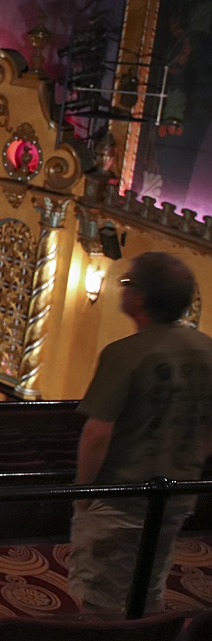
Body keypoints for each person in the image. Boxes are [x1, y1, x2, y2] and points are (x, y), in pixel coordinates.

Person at [70, 251, 212, 615]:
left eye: (127, 281)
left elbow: (98, 433)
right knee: (148, 589)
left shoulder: (124, 354)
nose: (122, 286)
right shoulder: (207, 351)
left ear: (141, 298)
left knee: (100, 599)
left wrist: (84, 497)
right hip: (178, 496)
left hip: (122, 497)